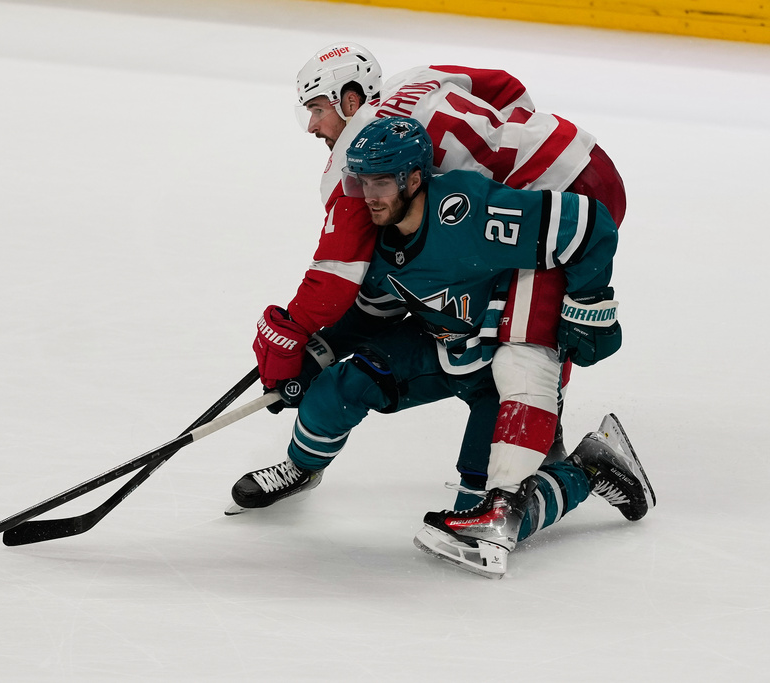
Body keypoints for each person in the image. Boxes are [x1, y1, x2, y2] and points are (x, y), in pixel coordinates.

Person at [237, 117, 654, 578]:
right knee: (335, 391)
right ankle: (301, 468)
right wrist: (315, 354)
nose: (368, 196)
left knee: (495, 517)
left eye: (381, 182)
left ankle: (590, 470)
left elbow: (589, 226)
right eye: (361, 182)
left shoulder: (467, 211)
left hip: (499, 360)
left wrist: (588, 302)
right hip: (439, 346)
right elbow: (374, 314)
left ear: (414, 179)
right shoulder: (376, 237)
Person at [250, 43, 628, 513]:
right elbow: (506, 88)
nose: (313, 126)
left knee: (526, 353)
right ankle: (537, 438)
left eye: (318, 110)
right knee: (512, 329)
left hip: (553, 212)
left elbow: (335, 278)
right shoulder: (414, 78)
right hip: (581, 160)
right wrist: (505, 153)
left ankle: (544, 455)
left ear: (350, 99)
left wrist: (292, 330)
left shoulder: (361, 165)